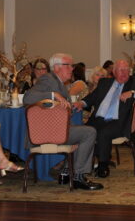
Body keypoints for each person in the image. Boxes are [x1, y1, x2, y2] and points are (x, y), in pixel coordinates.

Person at [23, 53, 103, 191]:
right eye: (69, 65)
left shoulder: (58, 82)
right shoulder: (48, 79)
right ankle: (78, 177)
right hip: (46, 133)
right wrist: (53, 95)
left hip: (53, 130)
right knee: (89, 132)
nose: (72, 69)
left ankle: (66, 172)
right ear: (57, 67)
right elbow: (28, 97)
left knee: (80, 132)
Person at [75, 60, 135, 178]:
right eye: (121, 70)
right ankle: (75, 166)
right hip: (98, 119)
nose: (124, 73)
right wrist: (81, 103)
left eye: (127, 70)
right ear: (114, 72)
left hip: (119, 122)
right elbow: (92, 97)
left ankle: (103, 165)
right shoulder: (104, 82)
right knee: (82, 132)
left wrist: (133, 93)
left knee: (103, 133)